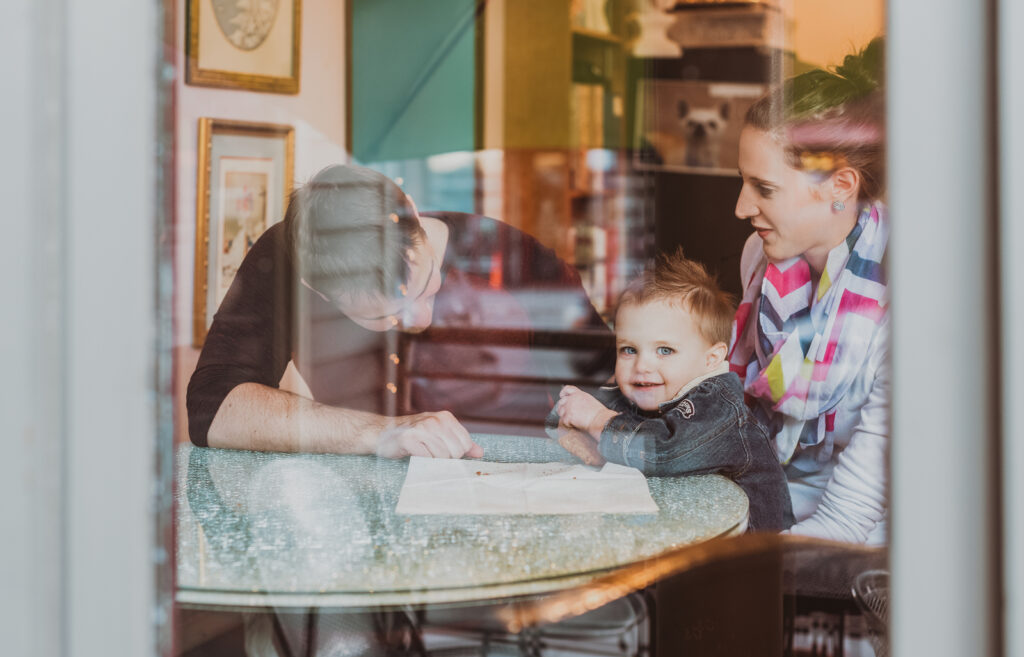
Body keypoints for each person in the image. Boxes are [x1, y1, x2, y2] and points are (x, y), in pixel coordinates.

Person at [187, 163, 610, 459]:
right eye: (383, 318)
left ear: (410, 208)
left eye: (426, 286)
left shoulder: (517, 262)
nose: (419, 321)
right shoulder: (291, 258)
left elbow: (612, 383)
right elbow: (213, 409)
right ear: (313, 287)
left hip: (513, 497)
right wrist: (381, 433)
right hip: (365, 509)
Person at [729, 38, 888, 543]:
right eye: (742, 181)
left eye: (764, 188)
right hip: (775, 519)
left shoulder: (909, 307)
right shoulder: (759, 258)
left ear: (841, 185)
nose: (741, 207)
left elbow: (847, 522)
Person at [548, 250, 794, 532]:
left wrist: (595, 422)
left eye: (665, 350)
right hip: (677, 536)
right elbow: (576, 419)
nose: (642, 365)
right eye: (629, 349)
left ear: (711, 359)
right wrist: (569, 418)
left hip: (744, 557)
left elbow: (664, 451)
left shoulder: (718, 407)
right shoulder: (641, 389)